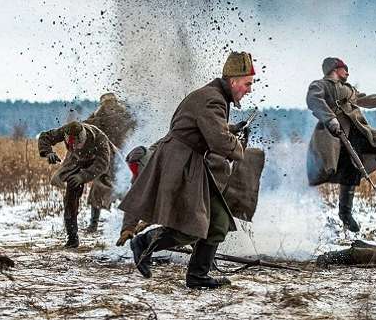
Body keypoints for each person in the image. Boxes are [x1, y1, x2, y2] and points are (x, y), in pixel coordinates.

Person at [118, 51, 258, 289]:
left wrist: (231, 128)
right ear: (233, 81)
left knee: (218, 222)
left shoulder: (211, 96)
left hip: (187, 161)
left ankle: (197, 276)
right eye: (247, 84)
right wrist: (238, 145)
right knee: (191, 226)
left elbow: (207, 127)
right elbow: (219, 142)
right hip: (182, 163)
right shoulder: (213, 99)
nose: (249, 89)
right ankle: (144, 242)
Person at [306, 57, 376, 232]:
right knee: (350, 173)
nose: (348, 72)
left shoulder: (349, 90)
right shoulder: (320, 85)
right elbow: (314, 100)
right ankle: (345, 215)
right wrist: (330, 118)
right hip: (335, 138)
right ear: (334, 69)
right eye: (344, 69)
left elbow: (371, 100)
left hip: (360, 133)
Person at [38, 121, 111, 248]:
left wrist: (83, 176)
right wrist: (48, 152)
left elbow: (103, 163)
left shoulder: (100, 139)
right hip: (77, 161)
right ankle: (72, 238)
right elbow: (45, 136)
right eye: (70, 143)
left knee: (105, 189)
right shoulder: (65, 131)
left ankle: (122, 226)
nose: (74, 145)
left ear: (83, 137)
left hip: (103, 164)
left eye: (77, 143)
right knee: (70, 199)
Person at [83, 92, 137, 232]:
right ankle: (129, 225)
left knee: (100, 190)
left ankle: (94, 224)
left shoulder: (100, 114)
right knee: (125, 190)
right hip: (122, 158)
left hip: (110, 159)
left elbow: (86, 127)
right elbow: (136, 125)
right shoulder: (125, 113)